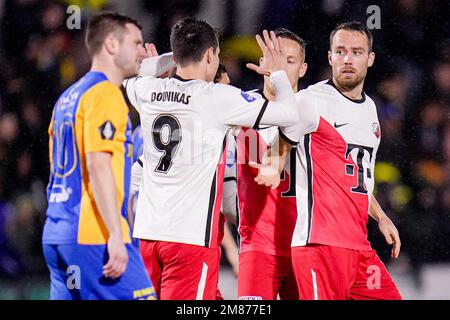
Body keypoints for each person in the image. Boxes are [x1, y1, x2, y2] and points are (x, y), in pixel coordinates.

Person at [124, 17, 299, 300]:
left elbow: (136, 73)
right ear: (210, 54)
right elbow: (290, 114)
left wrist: (172, 55)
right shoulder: (217, 97)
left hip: (147, 235)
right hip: (189, 241)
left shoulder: (145, 91)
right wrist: (278, 74)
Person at [252, 21, 402, 300]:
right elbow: (285, 132)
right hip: (320, 247)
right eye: (341, 51)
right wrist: (274, 163)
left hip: (360, 248)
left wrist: (381, 216)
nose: (348, 59)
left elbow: (354, 176)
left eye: (357, 52)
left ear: (370, 59)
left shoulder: (370, 108)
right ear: (330, 57)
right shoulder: (312, 101)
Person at [42, 12, 156, 300]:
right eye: (136, 42)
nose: (142, 51)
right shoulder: (105, 94)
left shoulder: (68, 96)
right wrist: (116, 233)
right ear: (111, 45)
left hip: (56, 231)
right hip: (94, 234)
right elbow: (97, 164)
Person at [235, 28, 307, 300]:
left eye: (289, 61)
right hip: (258, 248)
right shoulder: (238, 106)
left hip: (304, 245)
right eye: (273, 58)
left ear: (302, 69)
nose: (279, 67)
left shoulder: (313, 112)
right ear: (263, 62)